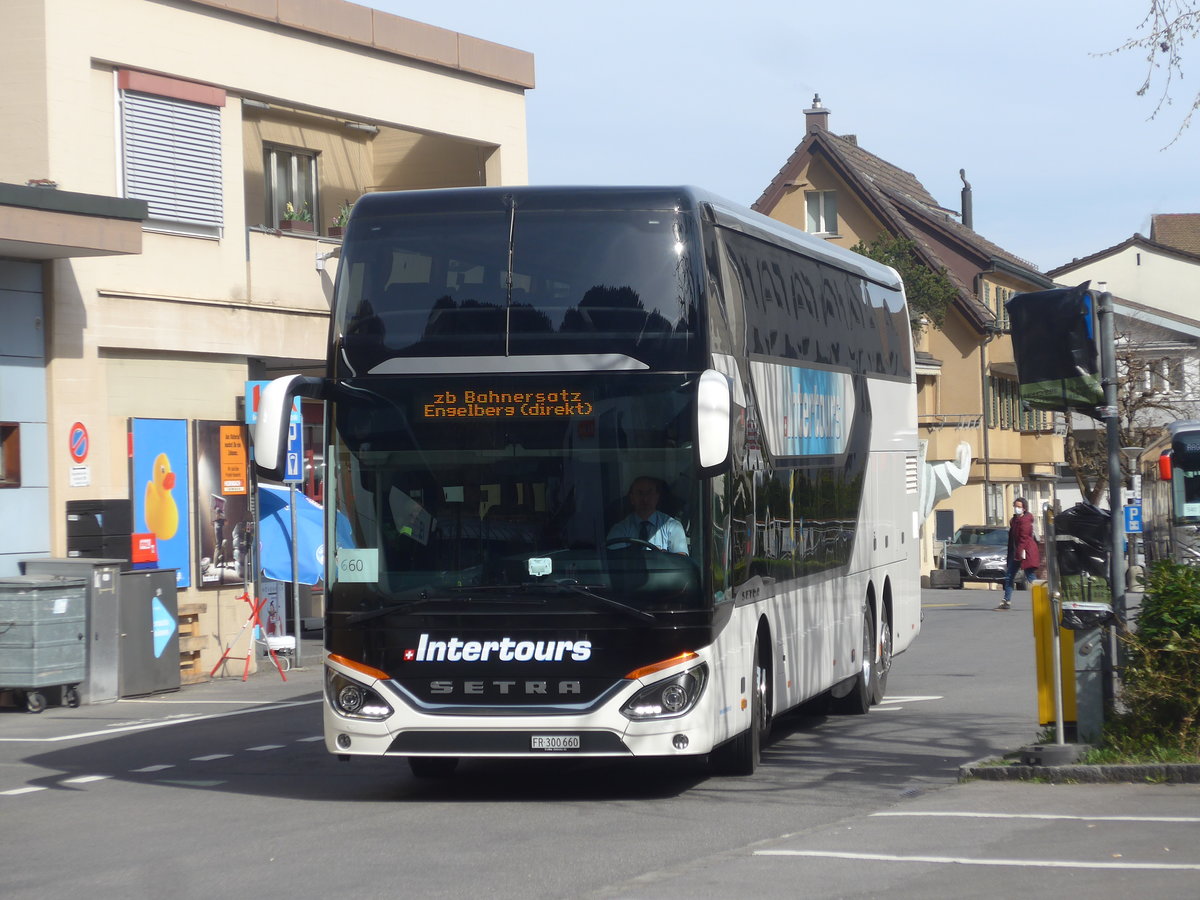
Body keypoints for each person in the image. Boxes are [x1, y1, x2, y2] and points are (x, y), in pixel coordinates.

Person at [607, 476, 688, 555]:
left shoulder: (672, 526)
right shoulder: (620, 529)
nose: (645, 499)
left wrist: (664, 556)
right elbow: (614, 558)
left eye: (649, 493)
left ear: (657, 497)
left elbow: (681, 559)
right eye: (640, 493)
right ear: (632, 498)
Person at [999, 497, 1040, 610]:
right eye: (1015, 506)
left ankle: (1042, 597)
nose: (1017, 508)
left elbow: (1023, 539)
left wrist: (1018, 553)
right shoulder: (1014, 520)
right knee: (1009, 576)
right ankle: (1006, 600)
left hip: (1025, 553)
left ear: (1024, 508)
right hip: (1017, 552)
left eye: (1019, 507)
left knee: (1030, 576)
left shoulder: (1025, 521)